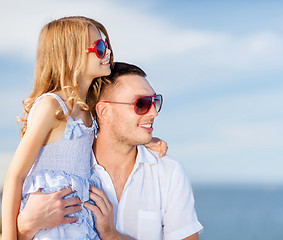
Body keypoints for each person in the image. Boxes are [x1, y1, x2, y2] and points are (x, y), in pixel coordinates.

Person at [2, 17, 165, 240]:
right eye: (99, 47)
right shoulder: (52, 106)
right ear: (71, 55)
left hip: (78, 221)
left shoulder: (89, 108)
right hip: (51, 222)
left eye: (106, 45)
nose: (107, 52)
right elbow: (15, 175)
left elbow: (114, 135)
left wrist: (147, 139)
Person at [17, 62, 203, 239]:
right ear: (104, 111)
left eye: (155, 101)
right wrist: (25, 228)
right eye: (142, 104)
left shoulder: (169, 172)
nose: (153, 112)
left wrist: (112, 235)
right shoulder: (64, 170)